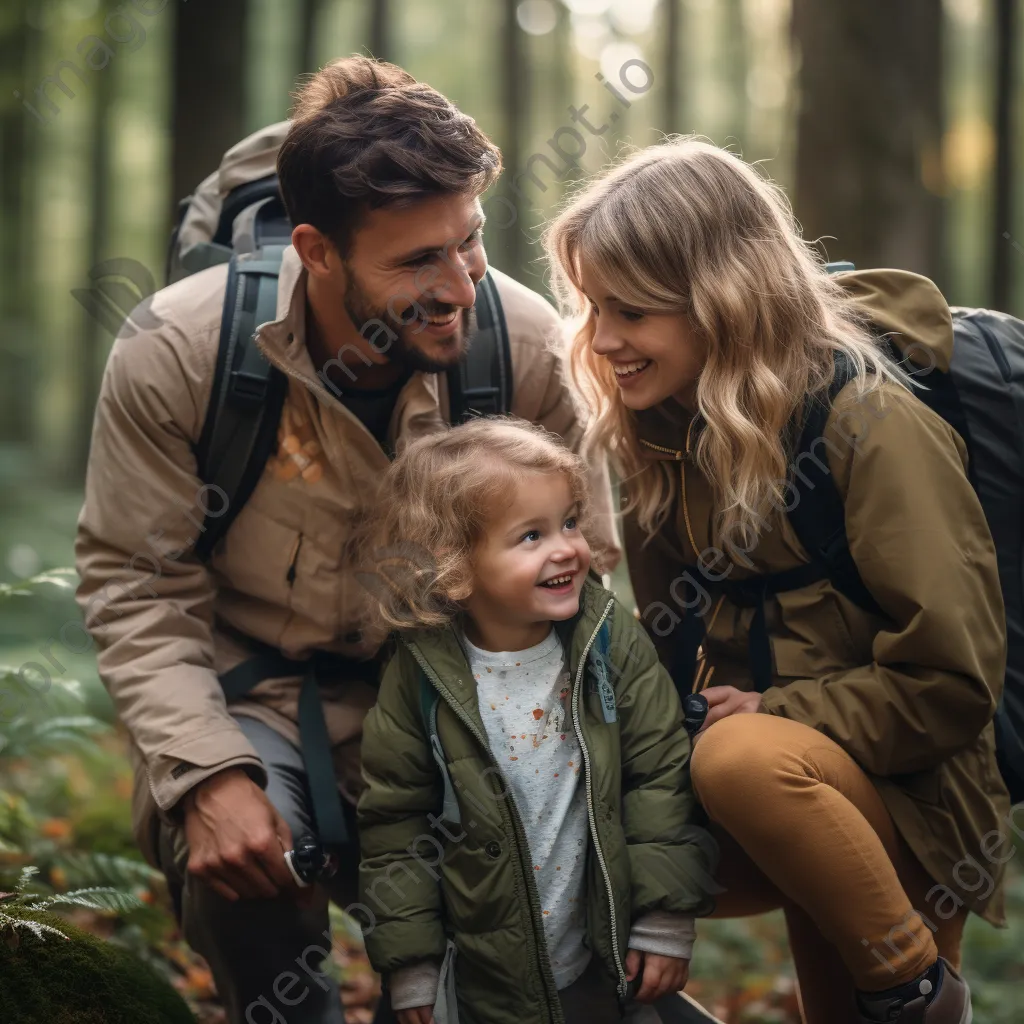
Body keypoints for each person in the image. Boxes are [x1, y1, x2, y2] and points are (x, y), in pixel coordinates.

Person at [74, 57, 618, 1024]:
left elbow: (589, 575)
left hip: (456, 694)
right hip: (261, 696)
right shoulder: (177, 350)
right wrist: (209, 777)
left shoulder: (525, 347)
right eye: (417, 262)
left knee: (541, 964)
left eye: (473, 241)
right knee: (250, 865)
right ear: (317, 251)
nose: (460, 285)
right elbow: (136, 583)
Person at [543, 138, 1011, 1024]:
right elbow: (674, 653)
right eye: (593, 307)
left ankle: (918, 986)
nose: (603, 341)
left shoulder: (871, 424)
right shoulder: (660, 435)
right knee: (564, 836)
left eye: (632, 311)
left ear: (723, 299)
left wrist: (778, 714)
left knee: (742, 760)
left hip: (905, 798)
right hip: (770, 789)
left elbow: (953, 684)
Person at [354, 418, 715, 1024]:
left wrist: (665, 920)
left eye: (570, 521)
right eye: (530, 535)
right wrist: (411, 966)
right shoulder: (417, 677)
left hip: (603, 965)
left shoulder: (608, 643)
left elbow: (658, 777)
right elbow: (395, 827)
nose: (567, 548)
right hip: (481, 983)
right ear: (454, 567)